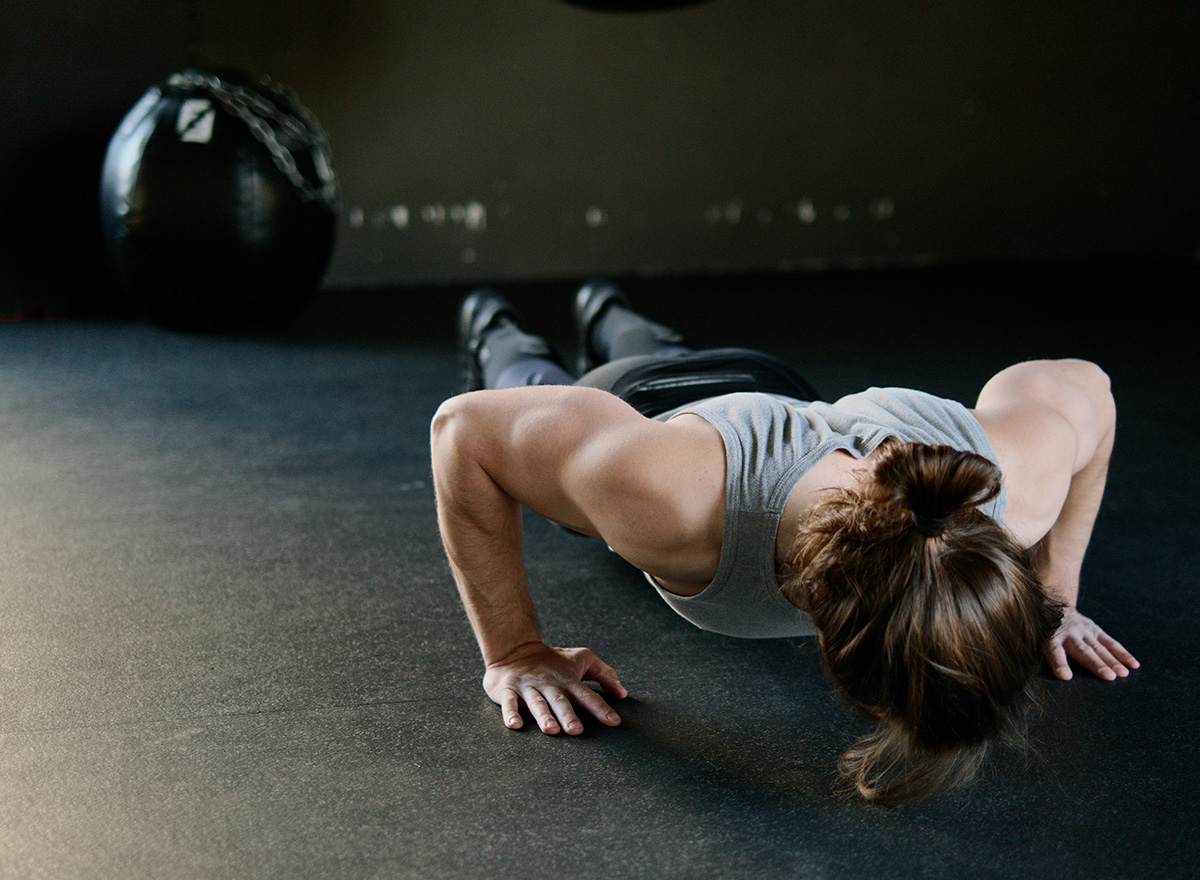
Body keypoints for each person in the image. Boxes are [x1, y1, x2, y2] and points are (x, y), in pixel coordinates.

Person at [430, 281, 1138, 803]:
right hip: (642, 404)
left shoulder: (1013, 485)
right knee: (532, 388)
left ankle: (607, 308)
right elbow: (464, 433)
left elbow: (1092, 391)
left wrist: (1053, 597)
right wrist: (515, 652)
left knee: (672, 350)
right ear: (808, 605)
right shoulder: (665, 501)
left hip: (766, 385)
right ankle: (497, 325)